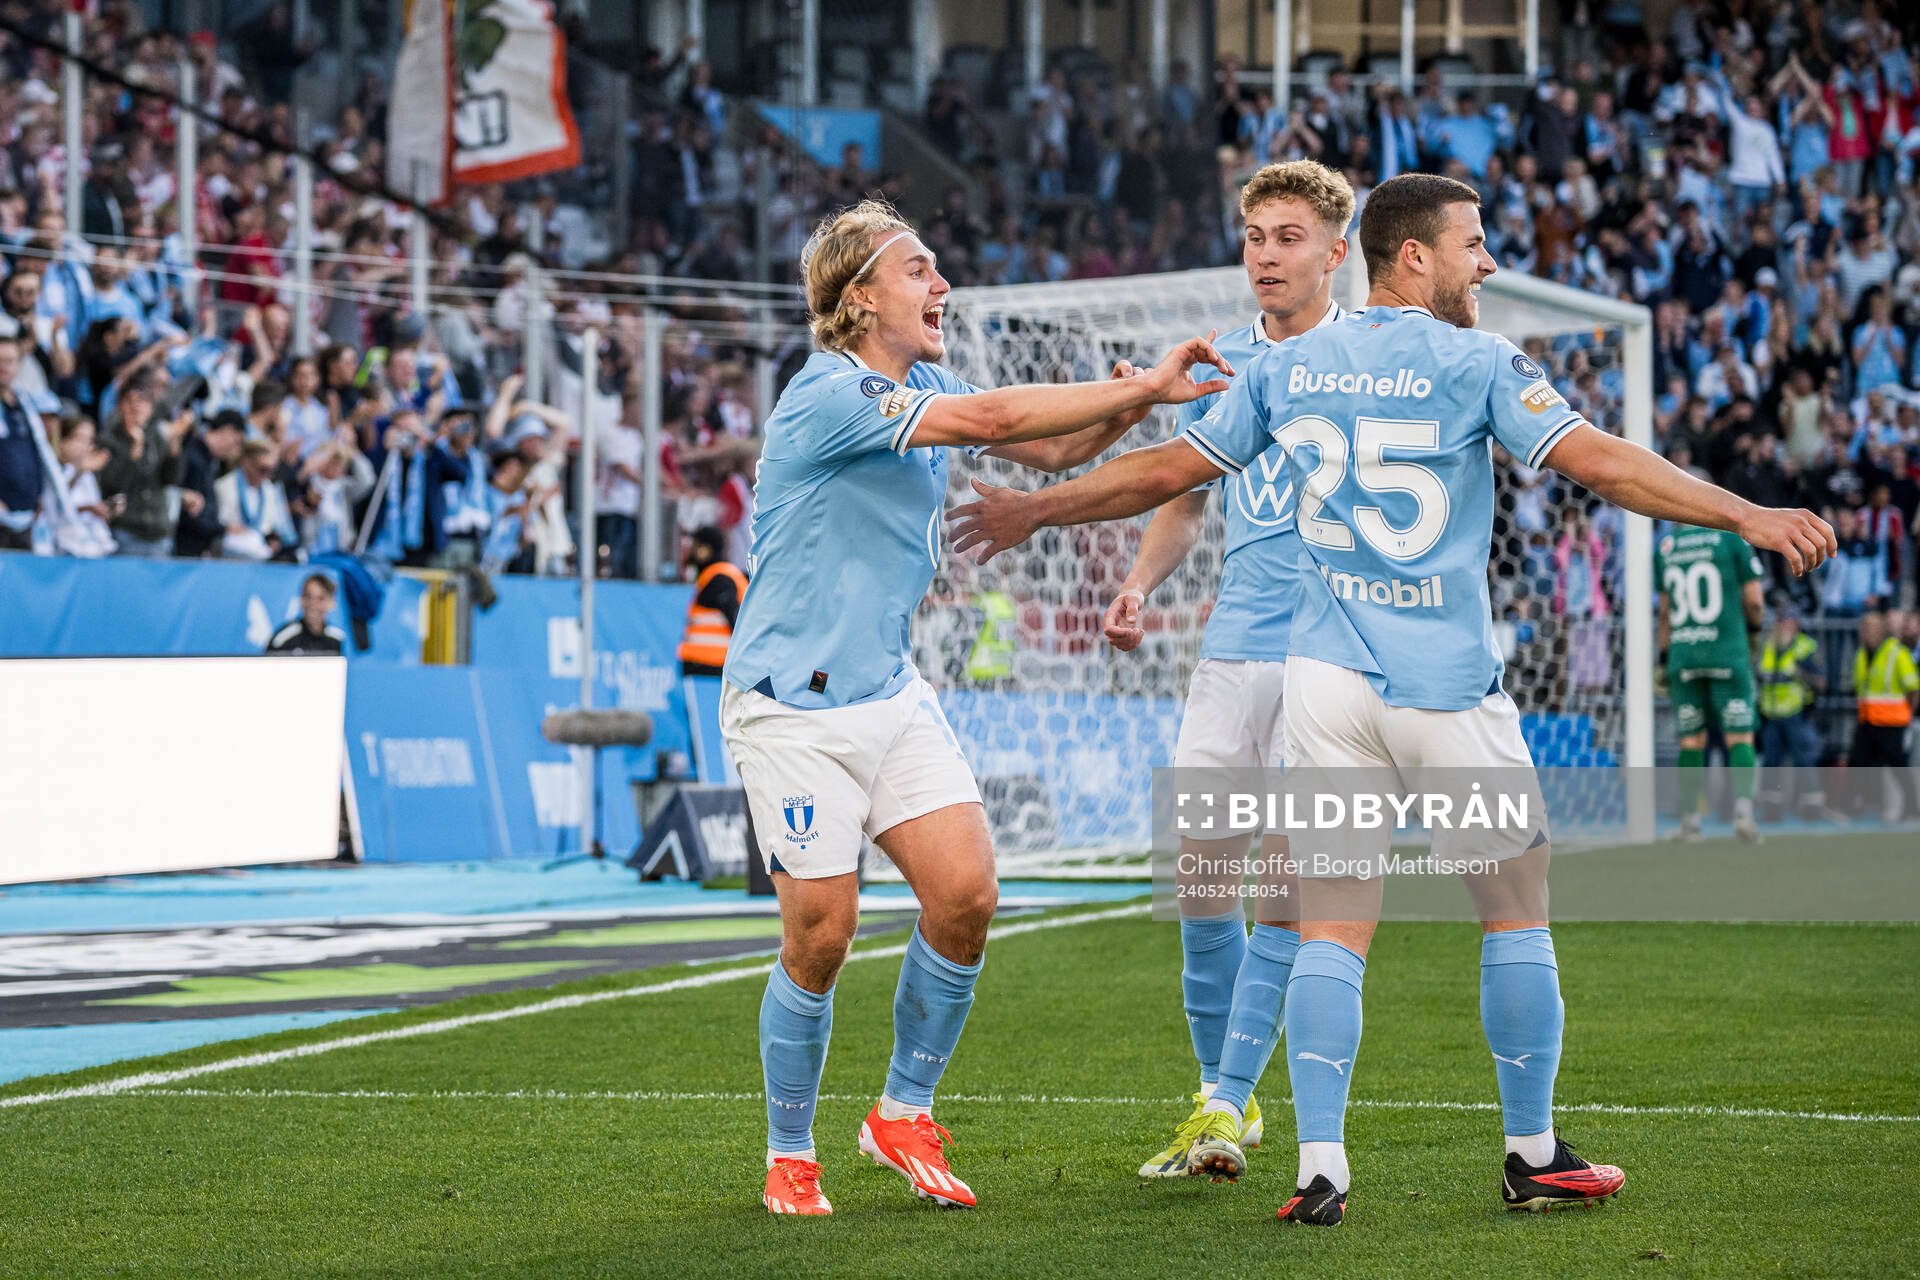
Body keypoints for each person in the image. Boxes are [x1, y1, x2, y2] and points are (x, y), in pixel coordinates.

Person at [950, 172, 1834, 1224]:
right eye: (1474, 244)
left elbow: (1163, 470)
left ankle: (1320, 1162)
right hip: (1446, 686)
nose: (1489, 263)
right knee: (1513, 911)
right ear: (1414, 256)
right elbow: (1602, 463)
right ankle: (1532, 1150)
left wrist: (1035, 511)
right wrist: (1747, 514)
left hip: (1326, 685)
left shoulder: (1293, 366)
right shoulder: (1477, 361)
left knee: (1331, 925)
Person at [728, 199, 1232, 1218]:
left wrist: (1144, 398)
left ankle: (902, 1111)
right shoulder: (828, 393)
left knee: (967, 896)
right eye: (920, 270)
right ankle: (790, 1150)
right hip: (790, 708)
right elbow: (1001, 422)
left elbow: (1047, 454)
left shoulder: (922, 383)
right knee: (822, 936)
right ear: (859, 293)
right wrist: (1140, 378)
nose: (942, 286)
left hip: (888, 689)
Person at [1099, 161, 1351, 1180]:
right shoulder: (1223, 359)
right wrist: (1140, 584)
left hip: (1330, 652)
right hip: (1232, 645)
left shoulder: (1369, 358)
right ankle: (1222, 1100)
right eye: (1254, 235)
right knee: (1204, 881)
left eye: (1288, 236)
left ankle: (1225, 1101)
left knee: (1285, 883)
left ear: (1337, 252)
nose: (1266, 255)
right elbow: (1185, 492)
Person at [1656, 521, 1768, 842]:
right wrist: (1755, 632)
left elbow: (1664, 613)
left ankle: (1690, 822)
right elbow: (1755, 601)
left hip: (1684, 655)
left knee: (1691, 740)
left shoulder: (1666, 547)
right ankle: (1743, 813)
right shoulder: (1731, 540)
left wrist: (1665, 656)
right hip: (1727, 651)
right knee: (1739, 736)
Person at [1755, 607, 1838, 823]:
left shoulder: (1805, 647)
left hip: (1797, 715)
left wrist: (1800, 674)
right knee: (1771, 763)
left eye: (1787, 621)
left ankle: (1811, 808)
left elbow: (1821, 682)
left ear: (1796, 624)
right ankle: (1772, 809)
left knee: (1804, 761)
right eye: (1780, 621)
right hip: (1771, 715)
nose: (1782, 625)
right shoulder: (1768, 646)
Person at [1848, 610, 1919, 823]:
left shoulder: (1896, 652)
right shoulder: (1862, 655)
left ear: (1880, 630)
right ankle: (1849, 805)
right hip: (1868, 719)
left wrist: (1908, 714)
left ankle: (1912, 807)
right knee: (1858, 762)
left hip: (1891, 721)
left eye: (1870, 627)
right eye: (1864, 627)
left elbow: (1913, 687)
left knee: (1898, 767)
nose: (1865, 632)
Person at [677, 525, 746, 678]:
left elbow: (736, 622)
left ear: (705, 549)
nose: (690, 551)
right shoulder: (719, 575)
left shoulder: (719, 579)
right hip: (711, 665)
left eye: (694, 545)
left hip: (710, 665)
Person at [265, 573, 346, 655]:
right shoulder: (284, 638)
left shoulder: (337, 638)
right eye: (308, 596)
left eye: (320, 598)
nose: (313, 604)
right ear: (301, 599)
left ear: (331, 603)